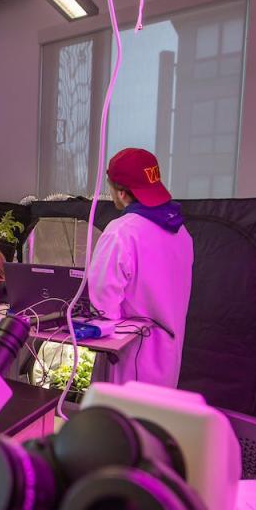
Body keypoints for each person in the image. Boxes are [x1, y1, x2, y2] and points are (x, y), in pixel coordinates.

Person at [87, 148, 193, 388]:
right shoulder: (182, 232)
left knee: (120, 423)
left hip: (129, 359)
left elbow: (104, 307)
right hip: (167, 357)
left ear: (122, 193)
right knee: (153, 422)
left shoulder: (121, 232)